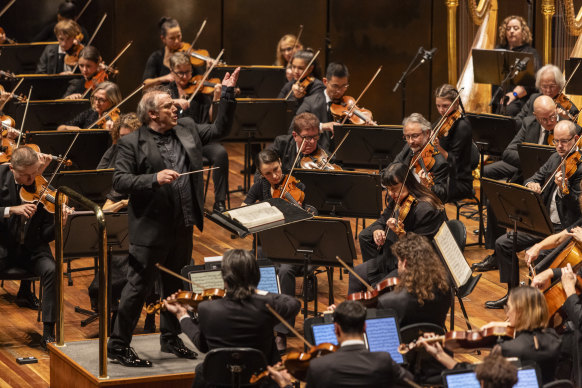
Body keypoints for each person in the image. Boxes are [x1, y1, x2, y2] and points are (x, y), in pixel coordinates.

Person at [106, 67, 239, 367]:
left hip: (183, 225)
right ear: (152, 114)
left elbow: (220, 130)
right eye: (169, 105)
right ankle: (117, 345)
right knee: (137, 289)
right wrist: (153, 178)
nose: (177, 107)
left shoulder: (188, 128)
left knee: (175, 286)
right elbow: (120, 182)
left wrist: (227, 94)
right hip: (150, 229)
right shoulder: (131, 142)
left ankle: (170, 337)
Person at [477, 120, 582, 308]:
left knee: (542, 257)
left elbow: (577, 208)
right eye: (555, 141)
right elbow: (534, 177)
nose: (559, 146)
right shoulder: (555, 158)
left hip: (565, 229)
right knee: (503, 243)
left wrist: (563, 190)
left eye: (564, 141)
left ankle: (536, 302)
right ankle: (512, 294)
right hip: (543, 223)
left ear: (575, 139)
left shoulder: (580, 168)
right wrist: (531, 184)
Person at [163, 249, 301, 387]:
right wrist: (256, 291)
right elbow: (294, 303)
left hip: (220, 382)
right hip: (260, 382)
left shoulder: (207, 309)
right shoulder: (267, 307)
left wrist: (182, 315)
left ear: (225, 278)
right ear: (256, 276)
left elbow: (202, 345)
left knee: (202, 370)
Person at [422, 286, 561, 384]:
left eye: (508, 307)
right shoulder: (555, 339)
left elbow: (474, 374)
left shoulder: (508, 349)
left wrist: (440, 355)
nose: (506, 313)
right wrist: (503, 326)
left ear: (519, 312)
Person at [267, 300, 414, 388]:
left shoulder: (319, 367)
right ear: (364, 327)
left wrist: (286, 384)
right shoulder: (384, 360)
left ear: (336, 329)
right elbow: (412, 383)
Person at [348, 163, 446, 293]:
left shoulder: (426, 209)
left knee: (378, 290)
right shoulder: (399, 197)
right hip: (394, 258)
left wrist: (401, 234)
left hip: (414, 265)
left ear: (408, 183)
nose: (391, 193)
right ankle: (354, 312)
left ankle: (381, 299)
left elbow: (421, 250)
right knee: (355, 275)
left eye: (394, 188)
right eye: (388, 189)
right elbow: (382, 219)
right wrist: (377, 229)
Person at [478, 95, 560, 249]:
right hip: (527, 176)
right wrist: (531, 161)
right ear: (536, 117)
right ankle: (496, 253)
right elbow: (508, 152)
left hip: (553, 183)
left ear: (556, 109)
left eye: (552, 116)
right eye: (544, 119)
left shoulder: (566, 127)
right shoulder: (529, 124)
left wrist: (546, 168)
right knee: (496, 201)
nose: (550, 122)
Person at [0, 146, 60, 350]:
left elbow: (45, 235)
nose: (31, 179)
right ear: (11, 168)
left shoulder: (42, 184)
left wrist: (59, 224)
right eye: (26, 175)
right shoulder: (0, 176)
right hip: (3, 247)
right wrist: (11, 210)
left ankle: (49, 333)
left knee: (51, 270)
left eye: (35, 172)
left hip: (32, 249)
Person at [167, 52, 230, 212]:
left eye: (188, 72)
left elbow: (212, 121)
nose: (185, 76)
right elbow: (153, 105)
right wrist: (173, 102)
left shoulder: (200, 91)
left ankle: (220, 202)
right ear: (172, 72)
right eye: (180, 72)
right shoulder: (167, 93)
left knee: (221, 153)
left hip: (200, 139)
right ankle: (188, 201)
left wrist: (216, 98)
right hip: (177, 141)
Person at [292, 62, 373, 152]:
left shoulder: (349, 104)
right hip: (316, 155)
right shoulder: (310, 102)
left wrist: (365, 123)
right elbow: (294, 127)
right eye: (335, 86)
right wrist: (323, 126)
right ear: (325, 82)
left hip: (343, 155)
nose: (339, 91)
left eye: (344, 86)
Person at [377, 233, 451, 328]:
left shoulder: (387, 302)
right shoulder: (445, 289)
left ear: (405, 264)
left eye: (399, 260)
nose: (398, 265)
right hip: (433, 341)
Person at [493, 15, 541, 116]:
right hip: (499, 95)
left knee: (508, 109)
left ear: (523, 32)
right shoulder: (499, 50)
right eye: (508, 28)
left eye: (516, 28)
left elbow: (533, 82)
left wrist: (514, 95)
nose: (511, 31)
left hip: (520, 98)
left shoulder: (530, 52)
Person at [433, 84, 474, 202]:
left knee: (423, 192)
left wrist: (438, 147)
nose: (441, 110)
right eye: (438, 106)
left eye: (445, 106)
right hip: (442, 175)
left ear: (456, 103)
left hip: (458, 180)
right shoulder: (443, 119)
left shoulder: (462, 125)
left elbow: (454, 161)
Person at [143, 17, 204, 89]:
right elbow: (145, 84)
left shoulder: (188, 53)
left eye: (179, 36)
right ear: (163, 38)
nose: (177, 41)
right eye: (172, 38)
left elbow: (200, 78)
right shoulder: (156, 57)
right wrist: (163, 78)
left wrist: (208, 68)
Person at [267, 112, 333, 174]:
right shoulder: (281, 143)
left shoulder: (326, 157)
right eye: (307, 138)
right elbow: (263, 168)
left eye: (315, 137)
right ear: (295, 135)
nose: (312, 142)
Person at [514, 64, 579, 127]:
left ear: (560, 85)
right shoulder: (534, 98)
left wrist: (567, 118)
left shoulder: (568, 105)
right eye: (544, 86)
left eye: (552, 86)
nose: (548, 90)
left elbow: (577, 127)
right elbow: (519, 119)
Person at [57, 81, 122, 131]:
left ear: (113, 101)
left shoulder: (118, 120)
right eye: (95, 98)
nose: (97, 102)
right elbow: (60, 128)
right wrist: (68, 128)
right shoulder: (91, 112)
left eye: (102, 100)